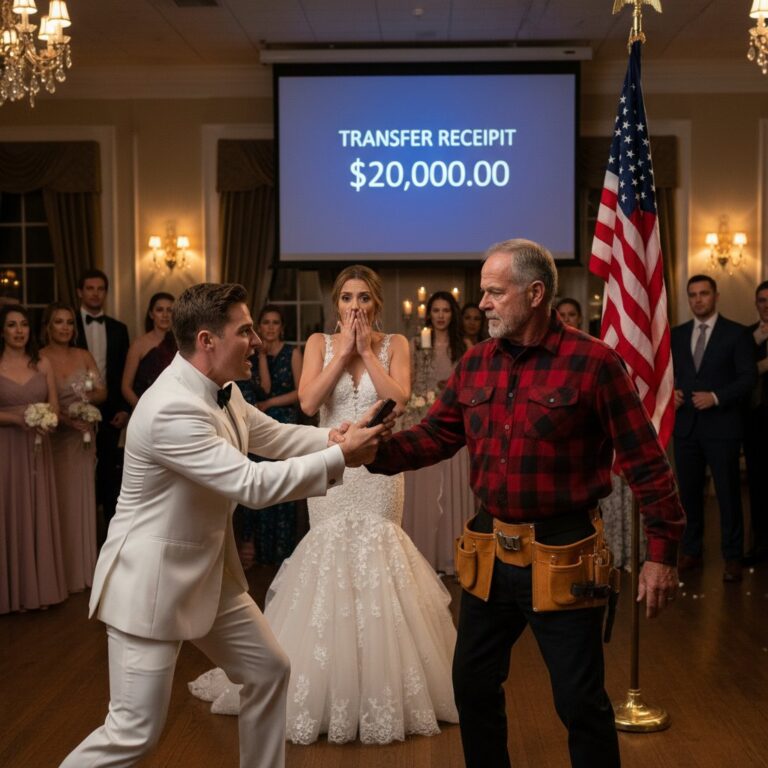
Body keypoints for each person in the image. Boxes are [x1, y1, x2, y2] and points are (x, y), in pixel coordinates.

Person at [368, 239, 685, 768]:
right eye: (483, 292)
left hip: (563, 553)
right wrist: (372, 452)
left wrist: (662, 553)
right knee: (471, 686)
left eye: (495, 292)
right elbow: (435, 436)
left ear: (535, 294)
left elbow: (646, 462)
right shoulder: (475, 363)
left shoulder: (594, 363)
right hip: (490, 551)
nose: (483, 303)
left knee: (579, 702)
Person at [59, 282, 385, 768]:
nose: (257, 341)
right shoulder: (171, 408)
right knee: (133, 733)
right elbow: (251, 484)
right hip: (150, 584)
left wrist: (333, 438)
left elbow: (271, 435)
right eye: (245, 331)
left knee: (268, 671)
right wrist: (342, 457)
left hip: (207, 574)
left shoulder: (223, 391)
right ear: (207, 341)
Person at [190, 266, 459, 745]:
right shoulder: (318, 343)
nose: (355, 306)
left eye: (364, 298)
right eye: (347, 298)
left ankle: (381, 684)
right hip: (331, 468)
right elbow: (310, 403)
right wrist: (344, 353)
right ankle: (325, 686)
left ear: (376, 303)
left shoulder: (395, 343)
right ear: (336, 304)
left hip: (378, 473)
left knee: (380, 556)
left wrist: (366, 352)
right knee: (329, 555)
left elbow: (397, 401)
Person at [671, 274, 755, 583]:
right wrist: (670, 393)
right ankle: (692, 551)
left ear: (715, 296)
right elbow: (668, 374)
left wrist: (716, 397)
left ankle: (732, 557)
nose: (698, 299)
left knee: (728, 495)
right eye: (692, 294)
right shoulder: (677, 334)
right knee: (689, 495)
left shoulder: (736, 334)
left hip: (722, 428)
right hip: (686, 429)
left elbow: (748, 378)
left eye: (704, 293)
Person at [0, 304, 67, 614]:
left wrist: (47, 420)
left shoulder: (42, 363)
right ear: (2, 331)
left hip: (39, 446)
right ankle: (10, 592)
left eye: (24, 324)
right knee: (9, 510)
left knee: (36, 508)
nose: (19, 331)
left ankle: (38, 589)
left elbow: (54, 405)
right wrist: (17, 419)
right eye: (12, 325)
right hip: (6, 448)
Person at [403, 291, 475, 574]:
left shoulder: (464, 345)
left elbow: (471, 386)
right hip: (425, 420)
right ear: (429, 314)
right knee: (426, 488)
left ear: (452, 314)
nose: (441, 315)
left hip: (454, 423)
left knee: (452, 489)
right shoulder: (415, 344)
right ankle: (423, 556)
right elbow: (409, 384)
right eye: (436, 310)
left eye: (446, 310)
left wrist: (452, 389)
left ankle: (452, 556)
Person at [40, 302, 107, 593]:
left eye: (69, 322)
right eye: (59, 322)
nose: (65, 327)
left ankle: (83, 572)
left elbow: (102, 391)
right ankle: (58, 575)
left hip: (83, 441)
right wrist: (67, 419)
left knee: (82, 501)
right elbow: (40, 400)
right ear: (48, 326)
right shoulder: (40, 358)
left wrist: (85, 404)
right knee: (57, 502)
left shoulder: (83, 355)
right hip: (55, 438)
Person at [234, 304, 303, 567]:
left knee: (284, 484)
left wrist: (270, 404)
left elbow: (301, 392)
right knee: (258, 483)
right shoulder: (250, 353)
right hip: (256, 424)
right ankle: (257, 550)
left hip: (284, 419)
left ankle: (282, 553)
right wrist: (261, 356)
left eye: (275, 323)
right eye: (266, 322)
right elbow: (261, 387)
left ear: (281, 327)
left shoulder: (292, 352)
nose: (271, 327)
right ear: (258, 327)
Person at [75, 269, 130, 527]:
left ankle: (109, 536)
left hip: (111, 415)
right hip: (73, 413)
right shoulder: (68, 325)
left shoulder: (119, 329)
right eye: (90, 288)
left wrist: (124, 409)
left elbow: (124, 372)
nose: (95, 294)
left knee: (109, 479)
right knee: (79, 476)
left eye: (100, 289)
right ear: (80, 292)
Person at [743, 280, 768, 566]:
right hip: (756, 423)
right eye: (762, 300)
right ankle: (760, 545)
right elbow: (740, 373)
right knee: (758, 487)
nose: (767, 306)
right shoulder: (746, 336)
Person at [121, 292, 177, 408]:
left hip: (175, 406)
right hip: (145, 406)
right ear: (151, 314)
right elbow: (126, 387)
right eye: (160, 310)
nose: (165, 315)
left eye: (169, 310)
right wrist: (142, 408)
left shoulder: (182, 344)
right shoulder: (139, 344)